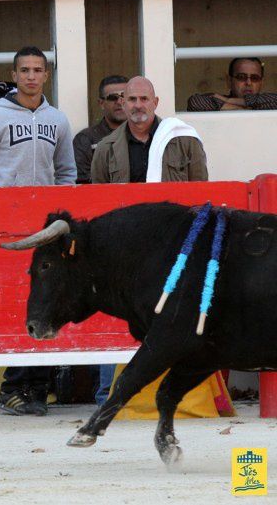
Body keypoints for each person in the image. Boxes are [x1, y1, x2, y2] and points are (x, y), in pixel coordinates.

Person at [0, 46, 76, 416]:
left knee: (47, 305)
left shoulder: (57, 120)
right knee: (12, 306)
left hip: (45, 231)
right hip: (5, 228)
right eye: (24, 70)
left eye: (37, 70)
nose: (30, 76)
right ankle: (12, 387)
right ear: (13, 75)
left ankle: (37, 388)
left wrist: (60, 221)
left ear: (46, 75)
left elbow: (67, 174)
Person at [91, 76, 208, 405]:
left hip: (176, 249)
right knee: (120, 316)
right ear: (122, 104)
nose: (138, 106)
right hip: (126, 253)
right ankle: (108, 393)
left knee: (178, 315)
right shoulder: (106, 150)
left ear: (156, 103)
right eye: (131, 100)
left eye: (144, 99)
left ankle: (184, 398)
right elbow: (100, 206)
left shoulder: (183, 140)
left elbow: (201, 194)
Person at [73, 75, 128, 183]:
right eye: (113, 97)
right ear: (101, 103)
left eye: (124, 96)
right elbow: (83, 184)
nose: (119, 102)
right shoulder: (85, 140)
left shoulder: (143, 136)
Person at [187, 57, 277, 111]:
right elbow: (194, 102)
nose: (248, 83)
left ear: (262, 82)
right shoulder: (215, 100)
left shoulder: (267, 103)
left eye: (254, 78)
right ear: (229, 81)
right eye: (241, 77)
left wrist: (229, 101)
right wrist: (242, 109)